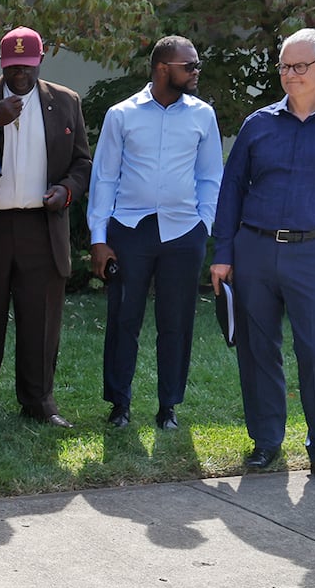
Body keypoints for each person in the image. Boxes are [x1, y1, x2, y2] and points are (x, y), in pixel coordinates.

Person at [210, 28, 315, 488]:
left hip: (313, 252)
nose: (289, 74)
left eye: (299, 66)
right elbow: (230, 191)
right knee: (257, 350)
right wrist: (223, 253)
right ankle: (266, 443)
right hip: (255, 249)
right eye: (284, 66)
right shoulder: (258, 124)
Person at [0, 27, 91, 428]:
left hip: (41, 224)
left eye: (27, 67)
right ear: (2, 63)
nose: (20, 75)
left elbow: (82, 163)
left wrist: (65, 192)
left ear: (41, 59)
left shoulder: (65, 102)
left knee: (41, 318)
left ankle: (38, 401)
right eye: (13, 67)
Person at [88, 35, 223, 430]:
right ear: (164, 68)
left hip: (184, 232)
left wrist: (204, 224)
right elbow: (105, 178)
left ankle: (169, 407)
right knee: (123, 319)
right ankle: (119, 404)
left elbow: (210, 175)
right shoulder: (122, 114)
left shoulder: (203, 115)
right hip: (130, 230)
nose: (196, 71)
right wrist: (99, 237)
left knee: (176, 321)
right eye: (190, 66)